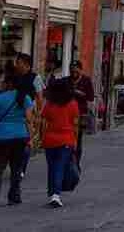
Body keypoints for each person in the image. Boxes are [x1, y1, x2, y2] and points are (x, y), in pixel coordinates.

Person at [0, 73, 36, 208]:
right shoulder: (25, 98)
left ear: (9, 83)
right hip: (20, 136)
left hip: (2, 137)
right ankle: (14, 195)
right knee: (16, 168)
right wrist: (31, 138)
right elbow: (29, 120)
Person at [37, 77, 80, 208]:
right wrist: (75, 140)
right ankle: (56, 195)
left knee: (52, 168)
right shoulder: (72, 104)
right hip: (66, 140)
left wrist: (40, 137)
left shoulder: (50, 104)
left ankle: (52, 193)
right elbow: (75, 124)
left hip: (50, 140)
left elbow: (43, 121)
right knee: (60, 167)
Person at [69, 61, 95, 135]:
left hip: (81, 111)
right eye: (72, 71)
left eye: (76, 71)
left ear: (80, 70)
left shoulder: (86, 80)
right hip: (68, 111)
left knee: (78, 133)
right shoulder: (67, 80)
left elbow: (91, 97)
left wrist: (81, 94)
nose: (74, 73)